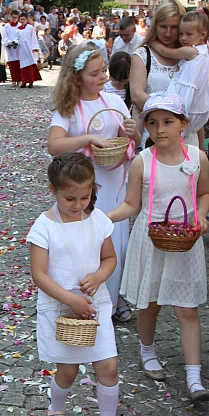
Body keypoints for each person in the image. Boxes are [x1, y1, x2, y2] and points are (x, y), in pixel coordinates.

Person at [109, 92, 209, 399]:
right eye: (152, 124)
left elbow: (204, 194)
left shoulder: (197, 158)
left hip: (185, 239)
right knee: (149, 304)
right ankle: (147, 350)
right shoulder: (142, 162)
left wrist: (202, 215)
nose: (160, 129)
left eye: (168, 122)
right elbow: (131, 204)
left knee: (187, 309)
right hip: (151, 238)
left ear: (183, 124)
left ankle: (194, 376)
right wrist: (104, 219)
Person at [28, 152, 129, 416]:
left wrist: (99, 276)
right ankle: (55, 408)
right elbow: (39, 273)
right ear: (52, 189)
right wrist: (70, 299)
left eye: (85, 196)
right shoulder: (44, 226)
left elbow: (109, 258)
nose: (78, 204)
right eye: (69, 198)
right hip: (62, 307)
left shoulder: (98, 219)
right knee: (68, 371)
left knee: (108, 367)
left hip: (95, 304)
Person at [48, 45, 139, 323]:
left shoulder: (113, 103)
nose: (102, 77)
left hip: (113, 183)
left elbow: (125, 136)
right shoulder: (69, 108)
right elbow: (55, 145)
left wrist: (131, 131)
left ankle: (111, 299)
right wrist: (86, 139)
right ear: (76, 78)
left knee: (114, 244)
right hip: (83, 188)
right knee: (86, 245)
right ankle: (82, 301)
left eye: (103, 71)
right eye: (94, 73)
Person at [165, 9, 209, 149]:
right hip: (195, 105)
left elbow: (165, 51)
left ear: (202, 35)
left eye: (189, 34)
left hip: (187, 103)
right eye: (181, 34)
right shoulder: (204, 50)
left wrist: (150, 42)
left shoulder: (193, 52)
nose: (183, 38)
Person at [129, 0, 186, 115]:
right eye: (163, 26)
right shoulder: (143, 55)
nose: (168, 33)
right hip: (153, 125)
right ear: (155, 25)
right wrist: (170, 114)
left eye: (174, 27)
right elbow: (136, 95)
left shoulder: (189, 55)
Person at [13, 12, 42, 88]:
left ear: (26, 20)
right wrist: (15, 43)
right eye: (21, 19)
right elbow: (16, 38)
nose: (22, 21)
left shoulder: (30, 28)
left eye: (23, 19)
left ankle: (31, 81)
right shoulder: (18, 29)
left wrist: (34, 47)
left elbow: (33, 38)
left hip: (29, 49)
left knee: (30, 65)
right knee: (23, 66)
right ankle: (24, 81)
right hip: (21, 50)